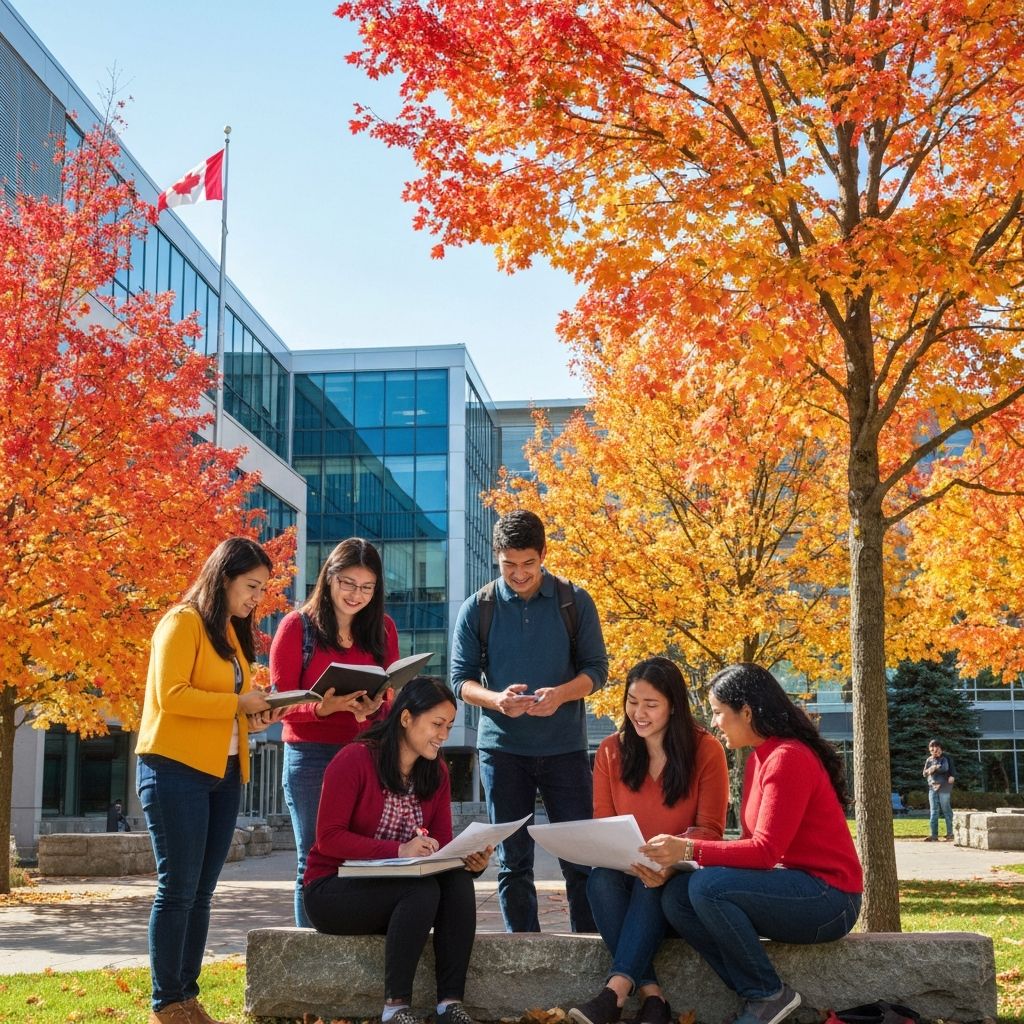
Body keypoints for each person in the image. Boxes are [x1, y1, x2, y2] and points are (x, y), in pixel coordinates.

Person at [642, 663, 863, 1024]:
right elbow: (750, 847)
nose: (714, 723)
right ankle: (756, 992)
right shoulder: (759, 758)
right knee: (677, 896)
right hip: (794, 888)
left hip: (831, 899)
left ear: (746, 711)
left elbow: (763, 852)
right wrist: (690, 846)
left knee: (707, 887)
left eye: (717, 713)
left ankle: (767, 994)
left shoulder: (787, 757)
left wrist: (688, 851)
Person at [135, 537, 278, 1024]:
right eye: (251, 586)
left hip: (223, 774)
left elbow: (224, 706)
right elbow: (172, 695)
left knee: (201, 892)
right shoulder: (182, 621)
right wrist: (237, 705)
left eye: (262, 588)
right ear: (224, 577)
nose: (257, 597)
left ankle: (186, 997)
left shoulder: (230, 635)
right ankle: (165, 1003)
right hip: (174, 769)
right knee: (176, 888)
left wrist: (253, 717)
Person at [451, 509, 609, 933]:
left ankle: (588, 949)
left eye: (528, 564)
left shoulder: (574, 601)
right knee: (512, 862)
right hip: (503, 753)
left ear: (543, 554)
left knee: (580, 860)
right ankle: (522, 951)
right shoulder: (477, 608)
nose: (518, 574)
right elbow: (459, 680)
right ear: (496, 557)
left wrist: (561, 695)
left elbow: (596, 670)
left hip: (565, 751)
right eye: (508, 565)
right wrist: (497, 700)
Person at [303, 676, 494, 1024]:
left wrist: (469, 861)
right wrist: (400, 849)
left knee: (456, 883)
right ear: (406, 718)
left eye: (449, 726)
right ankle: (395, 1008)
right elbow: (328, 838)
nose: (444, 735)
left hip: (396, 891)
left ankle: (449, 1005)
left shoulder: (435, 772)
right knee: (418, 890)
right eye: (437, 724)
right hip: (332, 890)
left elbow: (439, 847)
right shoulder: (355, 760)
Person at [569, 657, 730, 1024]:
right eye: (632, 701)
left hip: (679, 881)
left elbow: (710, 830)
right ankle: (653, 998)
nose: (638, 713)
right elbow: (603, 824)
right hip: (625, 875)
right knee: (599, 880)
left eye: (651, 704)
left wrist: (669, 858)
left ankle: (615, 992)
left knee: (651, 879)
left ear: (673, 705)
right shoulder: (612, 750)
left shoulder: (707, 750)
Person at [269, 537, 399, 927]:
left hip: (364, 757)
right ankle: (309, 954)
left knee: (362, 859)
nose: (355, 595)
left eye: (366, 587)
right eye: (347, 583)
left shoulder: (384, 629)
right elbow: (280, 705)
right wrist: (322, 708)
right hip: (310, 758)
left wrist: (376, 708)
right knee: (313, 859)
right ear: (329, 578)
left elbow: (390, 694)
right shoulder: (297, 627)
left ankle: (352, 952)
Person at [923, 739, 955, 842]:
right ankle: (934, 835)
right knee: (933, 812)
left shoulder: (945, 758)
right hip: (932, 788)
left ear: (940, 749)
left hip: (944, 787)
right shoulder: (929, 760)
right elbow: (924, 773)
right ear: (930, 750)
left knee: (946, 810)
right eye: (932, 749)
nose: (935, 751)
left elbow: (945, 769)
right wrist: (931, 768)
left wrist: (935, 767)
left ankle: (950, 834)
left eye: (937, 749)